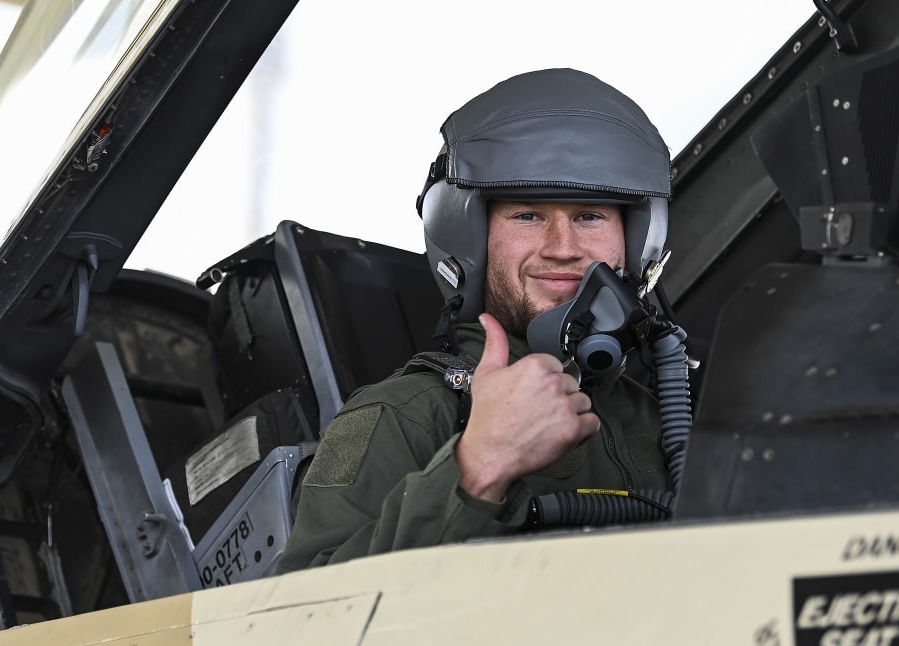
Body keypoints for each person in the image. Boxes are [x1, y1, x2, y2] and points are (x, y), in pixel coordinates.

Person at [277, 68, 679, 572]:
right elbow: (304, 623)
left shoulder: (666, 416)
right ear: (469, 239)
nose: (563, 249)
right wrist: (480, 465)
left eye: (590, 216)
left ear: (636, 243)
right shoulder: (403, 416)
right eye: (527, 216)